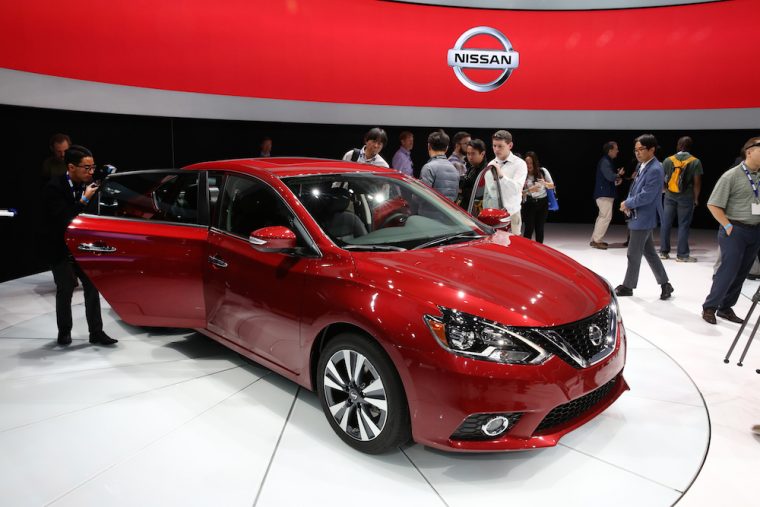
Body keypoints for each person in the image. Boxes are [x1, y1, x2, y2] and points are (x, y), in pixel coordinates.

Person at [43, 145, 117, 346]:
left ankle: (96, 332)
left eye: (93, 167)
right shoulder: (54, 188)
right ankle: (64, 332)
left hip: (84, 246)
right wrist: (84, 199)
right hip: (59, 246)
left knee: (92, 287)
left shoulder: (92, 184)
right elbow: (65, 220)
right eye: (86, 168)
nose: (91, 172)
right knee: (65, 289)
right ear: (71, 167)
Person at [701, 137, 760, 325]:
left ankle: (726, 308)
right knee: (728, 270)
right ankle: (710, 307)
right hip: (735, 230)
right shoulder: (731, 176)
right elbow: (713, 204)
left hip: (755, 230)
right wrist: (727, 226)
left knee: (742, 272)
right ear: (749, 152)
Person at [615, 134, 674, 300]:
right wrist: (628, 203)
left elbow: (647, 195)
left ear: (652, 149)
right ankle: (665, 284)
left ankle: (628, 286)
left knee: (633, 253)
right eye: (636, 150)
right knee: (650, 253)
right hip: (640, 214)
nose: (637, 153)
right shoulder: (644, 165)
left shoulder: (655, 169)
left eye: (641, 149)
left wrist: (628, 203)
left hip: (644, 216)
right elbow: (637, 189)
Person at [659, 136, 703, 262]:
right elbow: (697, 182)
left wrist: (664, 190)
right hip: (686, 197)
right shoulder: (695, 161)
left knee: (665, 224)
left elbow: (662, 178)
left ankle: (663, 252)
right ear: (690, 147)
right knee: (683, 225)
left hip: (669, 196)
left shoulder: (668, 160)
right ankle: (682, 255)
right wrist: (696, 198)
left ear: (678, 146)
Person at [483, 130, 527, 234]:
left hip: (512, 213)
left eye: (500, 146)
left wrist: (501, 176)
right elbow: (489, 192)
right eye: (494, 146)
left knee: (513, 246)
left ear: (510, 145)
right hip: (493, 214)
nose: (496, 149)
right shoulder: (491, 164)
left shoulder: (519, 164)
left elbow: (517, 188)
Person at [591, 141, 624, 249]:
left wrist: (616, 179)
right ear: (610, 150)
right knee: (605, 217)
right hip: (604, 194)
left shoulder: (607, 161)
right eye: (616, 149)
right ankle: (597, 240)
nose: (617, 151)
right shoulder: (605, 161)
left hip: (604, 193)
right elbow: (610, 176)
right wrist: (618, 175)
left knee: (602, 216)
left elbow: (608, 178)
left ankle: (595, 239)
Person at [521, 151, 555, 243]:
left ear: (535, 163)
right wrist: (529, 190)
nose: (529, 165)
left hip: (543, 203)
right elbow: (518, 193)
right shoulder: (522, 174)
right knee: (529, 229)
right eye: (527, 163)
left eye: (531, 163)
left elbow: (552, 185)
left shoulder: (542, 171)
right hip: (529, 203)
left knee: (539, 228)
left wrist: (544, 183)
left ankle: (539, 252)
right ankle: (525, 251)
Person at [419, 130, 460, 203]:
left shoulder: (428, 168)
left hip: (427, 213)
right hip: (448, 213)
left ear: (429, 146)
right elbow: (455, 196)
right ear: (447, 148)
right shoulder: (454, 169)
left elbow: (420, 197)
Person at [460, 138, 487, 209]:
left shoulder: (486, 172)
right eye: (468, 154)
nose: (470, 157)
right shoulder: (472, 168)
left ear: (482, 154)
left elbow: (479, 196)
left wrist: (461, 191)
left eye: (473, 154)